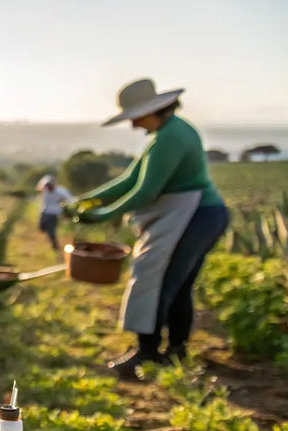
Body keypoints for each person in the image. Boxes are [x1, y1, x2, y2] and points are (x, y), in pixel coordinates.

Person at [63, 78, 230, 380]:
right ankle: (174, 351)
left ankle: (148, 354)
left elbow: (145, 193)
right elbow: (129, 181)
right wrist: (87, 200)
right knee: (177, 286)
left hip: (195, 215)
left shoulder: (170, 138)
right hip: (203, 215)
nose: (134, 125)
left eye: (135, 117)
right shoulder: (167, 133)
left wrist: (100, 216)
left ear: (154, 110)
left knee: (155, 279)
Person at [35, 174, 72, 251]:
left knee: (51, 231)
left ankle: (55, 246)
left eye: (49, 185)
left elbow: (70, 199)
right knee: (42, 228)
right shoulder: (46, 190)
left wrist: (65, 207)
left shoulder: (60, 191)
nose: (47, 187)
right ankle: (50, 240)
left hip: (53, 214)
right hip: (45, 212)